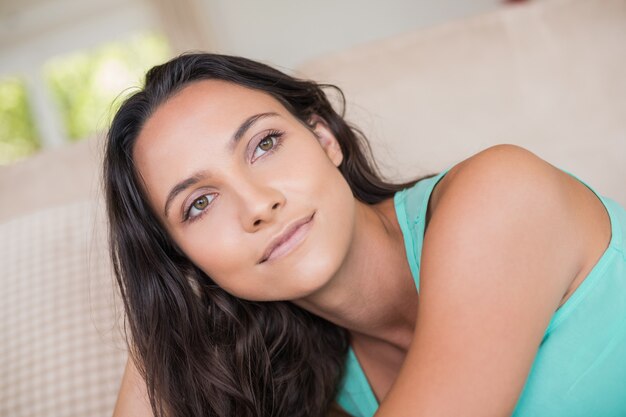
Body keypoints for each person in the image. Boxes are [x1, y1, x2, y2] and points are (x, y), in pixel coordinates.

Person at [105, 53, 626, 417]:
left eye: (265, 144)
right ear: (183, 258)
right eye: (199, 204)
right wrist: (162, 311)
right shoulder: (323, 385)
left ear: (324, 138)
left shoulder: (501, 196)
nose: (259, 205)